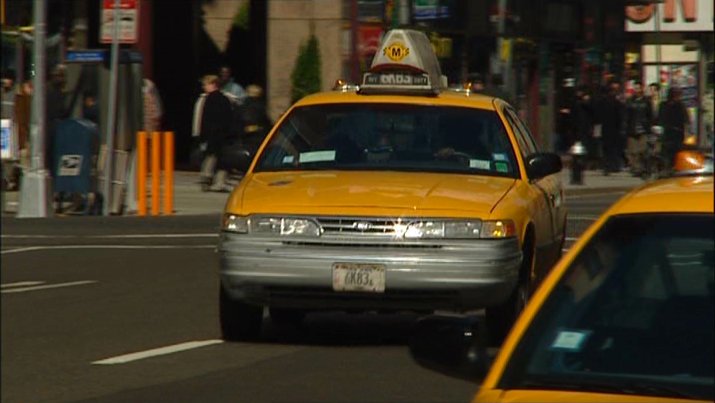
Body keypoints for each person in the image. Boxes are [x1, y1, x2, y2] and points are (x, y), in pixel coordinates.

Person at [198, 75, 234, 191]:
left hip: (212, 134)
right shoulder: (225, 99)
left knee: (211, 156)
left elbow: (205, 119)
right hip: (223, 134)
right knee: (222, 158)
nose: (204, 87)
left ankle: (206, 177)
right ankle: (220, 181)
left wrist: (202, 135)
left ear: (213, 84)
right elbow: (229, 118)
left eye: (205, 84)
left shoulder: (209, 99)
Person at [658, 87, 689, 172]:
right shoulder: (663, 105)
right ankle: (667, 167)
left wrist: (686, 131)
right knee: (666, 152)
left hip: (678, 133)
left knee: (677, 152)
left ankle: (674, 167)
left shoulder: (681, 105)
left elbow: (686, 120)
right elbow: (660, 118)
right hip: (667, 132)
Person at [625, 81, 653, 177]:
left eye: (638, 88)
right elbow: (626, 115)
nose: (637, 90)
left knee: (643, 150)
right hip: (632, 128)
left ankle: (642, 168)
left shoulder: (646, 101)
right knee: (633, 151)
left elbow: (650, 115)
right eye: (635, 88)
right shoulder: (629, 101)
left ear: (641, 89)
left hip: (643, 128)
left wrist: (649, 127)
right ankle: (635, 168)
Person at [598, 81, 625, 175]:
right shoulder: (616, 102)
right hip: (614, 129)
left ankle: (607, 166)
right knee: (613, 149)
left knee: (606, 149)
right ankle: (614, 166)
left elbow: (598, 116)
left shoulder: (602, 102)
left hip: (605, 129)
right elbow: (620, 116)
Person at [238, 84, 272, 157]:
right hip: (260, 140)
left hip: (245, 142)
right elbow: (267, 124)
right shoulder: (261, 107)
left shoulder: (242, 107)